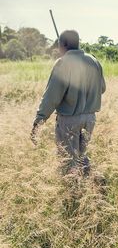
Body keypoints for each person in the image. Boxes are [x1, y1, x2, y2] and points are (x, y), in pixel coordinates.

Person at [31, 30, 106, 176]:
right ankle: (89, 186)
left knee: (67, 160)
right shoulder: (94, 61)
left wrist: (38, 121)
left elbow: (51, 97)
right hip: (90, 119)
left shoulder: (62, 63)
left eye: (59, 45)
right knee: (81, 156)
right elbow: (102, 88)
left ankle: (72, 194)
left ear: (63, 44)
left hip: (69, 120)